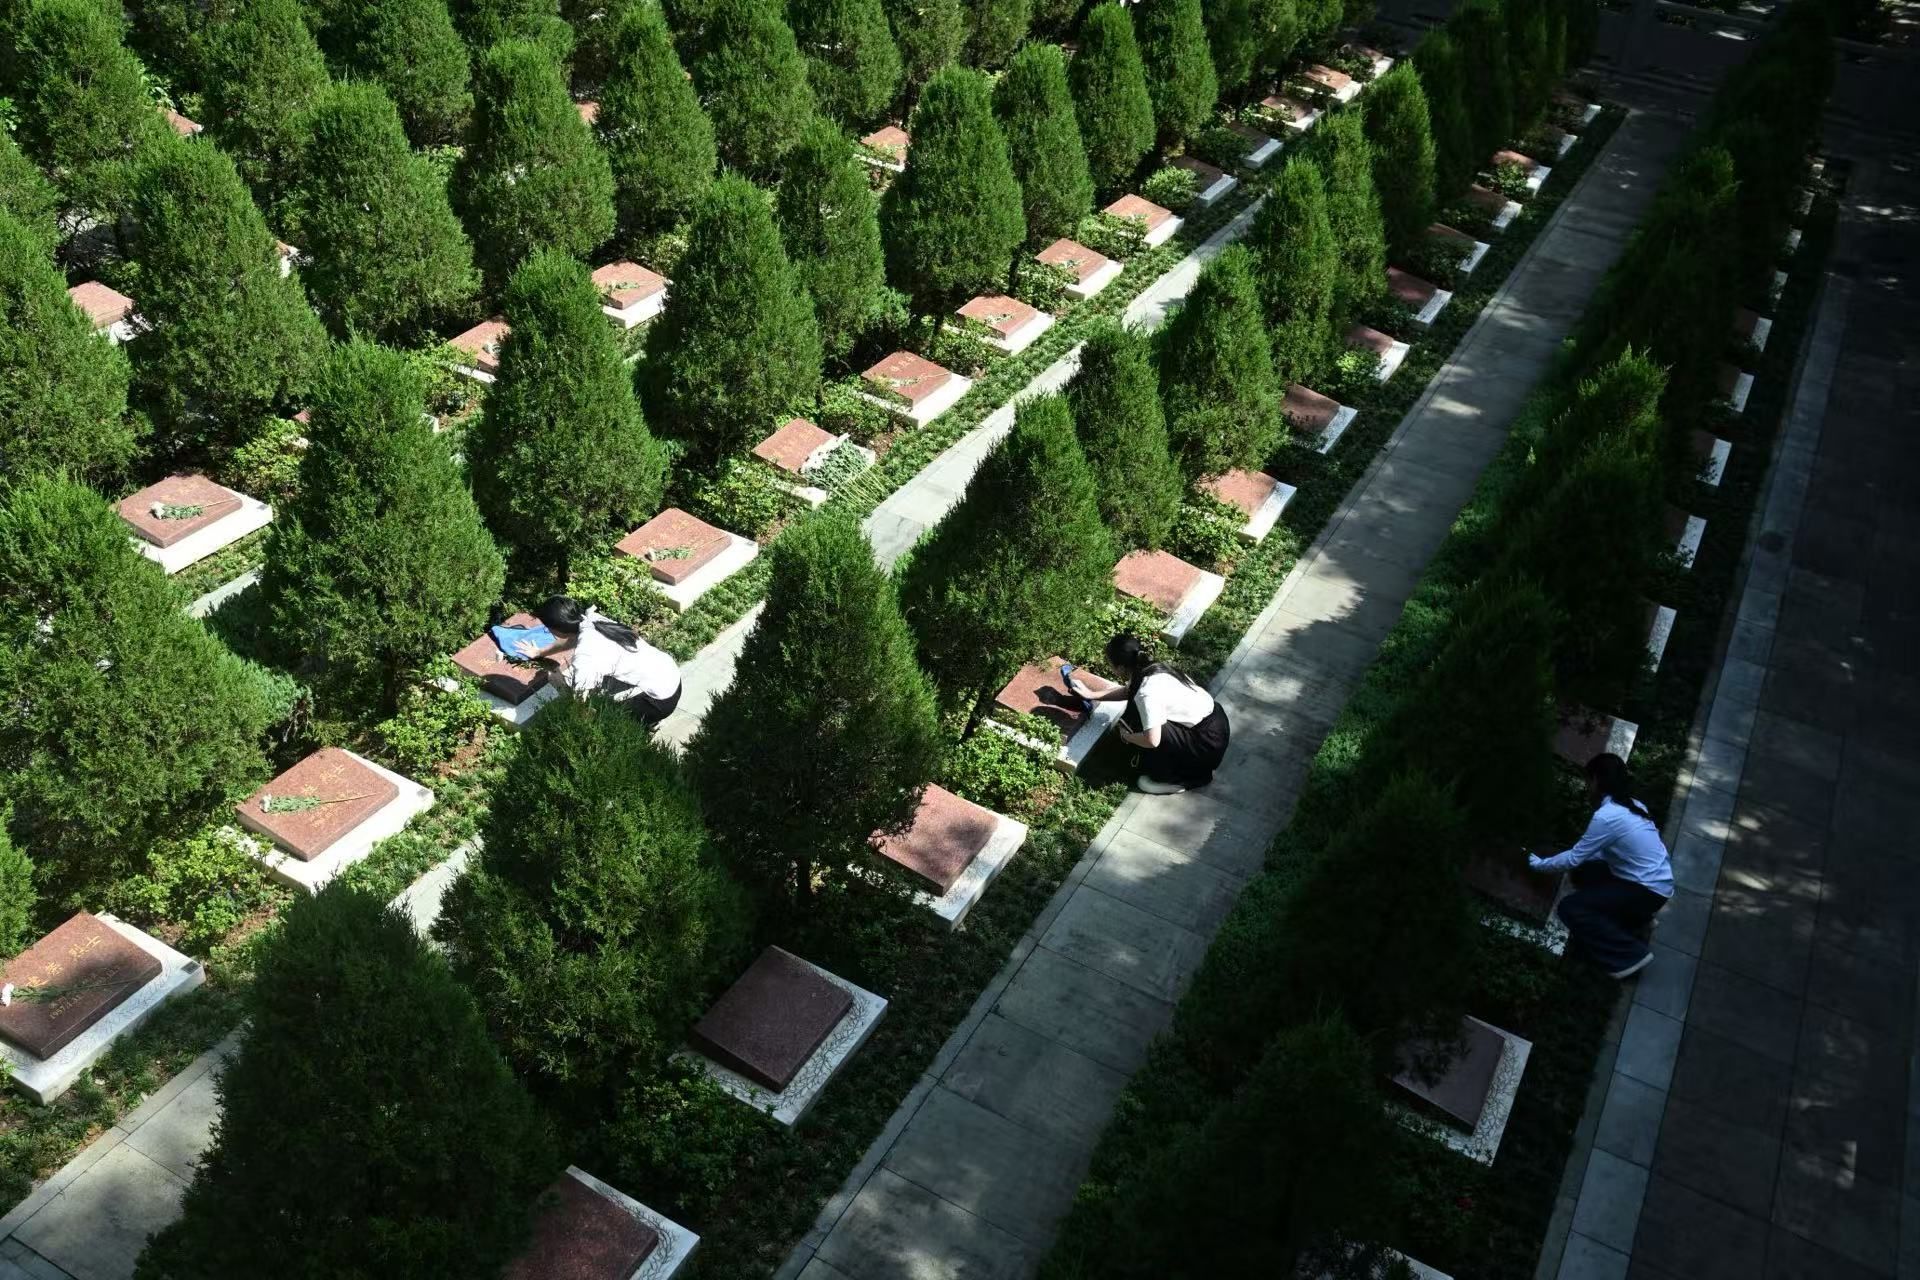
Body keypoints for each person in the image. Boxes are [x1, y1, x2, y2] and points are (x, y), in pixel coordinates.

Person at [1528, 752, 1674, 979]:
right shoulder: (1633, 804)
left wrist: (1540, 864)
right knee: (1585, 872)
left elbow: (1574, 857)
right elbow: (1595, 853)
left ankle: (1629, 957)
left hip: (1647, 891)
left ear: (1596, 780)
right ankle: (1638, 920)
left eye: (1588, 781)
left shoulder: (1606, 816)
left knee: (1571, 908)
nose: (1587, 788)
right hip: (1656, 884)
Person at [1066, 633, 1230, 795]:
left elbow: (1153, 740)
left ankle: (1184, 780)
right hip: (1217, 724)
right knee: (1143, 720)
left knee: (1144, 777)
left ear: (1121, 668)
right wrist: (1091, 694)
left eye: (1110, 664)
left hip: (1206, 745)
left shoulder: (1146, 692)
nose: (1109, 667)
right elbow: (1129, 691)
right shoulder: (1152, 669)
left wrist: (1127, 737)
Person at [533, 596, 682, 729]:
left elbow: (580, 705)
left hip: (658, 702)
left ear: (557, 630)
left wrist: (560, 685)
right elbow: (571, 638)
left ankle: (643, 723)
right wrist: (540, 653)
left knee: (596, 707)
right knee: (599, 683)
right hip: (670, 676)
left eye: (547, 629)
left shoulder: (586, 655)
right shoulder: (591, 619)